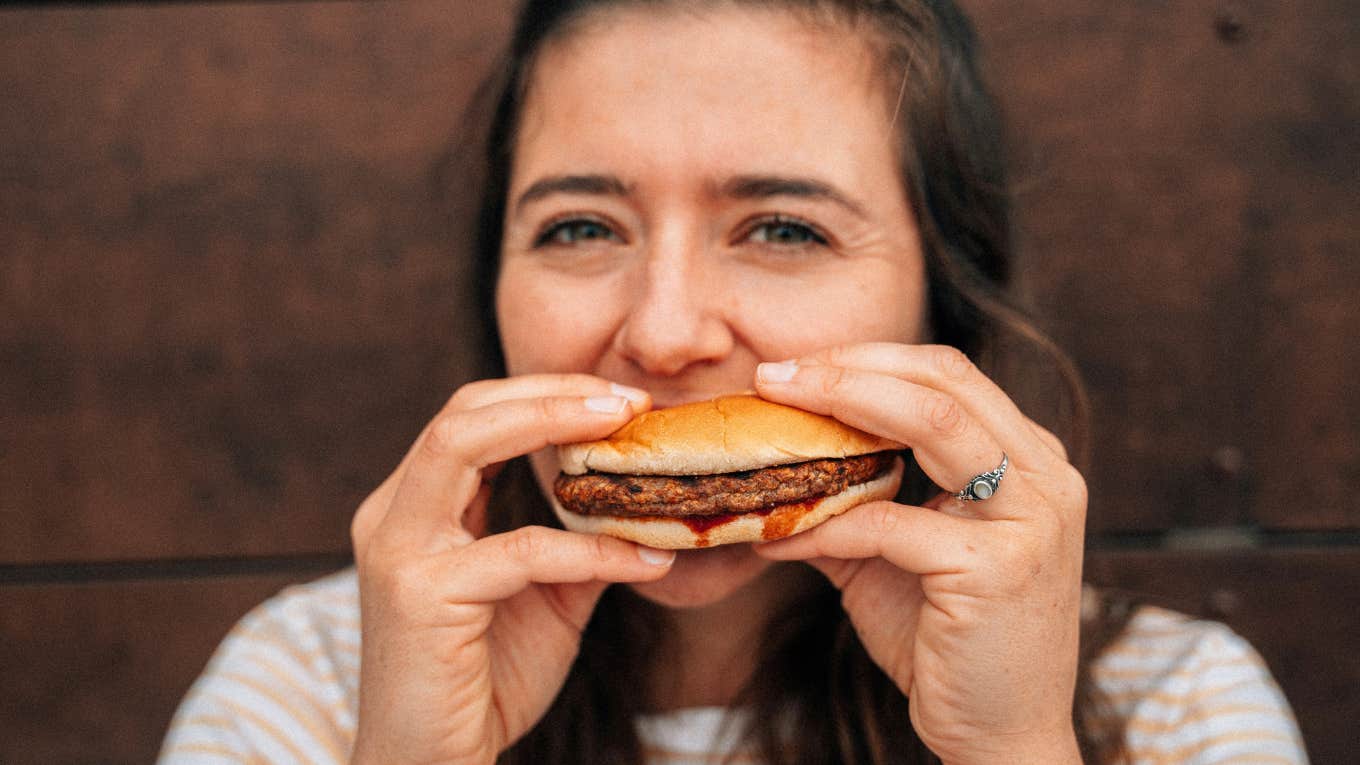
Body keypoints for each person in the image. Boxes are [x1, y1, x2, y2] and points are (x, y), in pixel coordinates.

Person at [158, 1, 1308, 763]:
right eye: (577, 227)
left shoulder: (1174, 710)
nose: (662, 333)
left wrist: (1010, 751)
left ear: (940, 301)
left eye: (783, 228)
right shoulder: (312, 688)